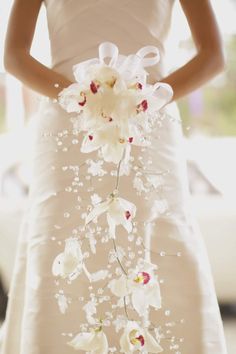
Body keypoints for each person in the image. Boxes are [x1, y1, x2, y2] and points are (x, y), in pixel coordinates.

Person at [2, 0, 228, 353]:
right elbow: (14, 54)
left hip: (149, 123)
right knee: (62, 239)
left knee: (158, 238)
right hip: (67, 127)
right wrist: (78, 98)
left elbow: (213, 55)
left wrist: (147, 99)